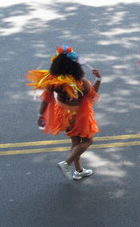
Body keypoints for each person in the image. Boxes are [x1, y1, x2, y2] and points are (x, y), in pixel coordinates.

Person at [26, 45, 101, 181]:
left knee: (75, 141)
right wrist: (98, 79)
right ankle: (67, 163)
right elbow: (92, 95)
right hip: (78, 116)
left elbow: (46, 100)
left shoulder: (53, 82)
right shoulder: (80, 83)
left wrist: (40, 115)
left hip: (63, 115)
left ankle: (78, 171)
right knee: (88, 140)